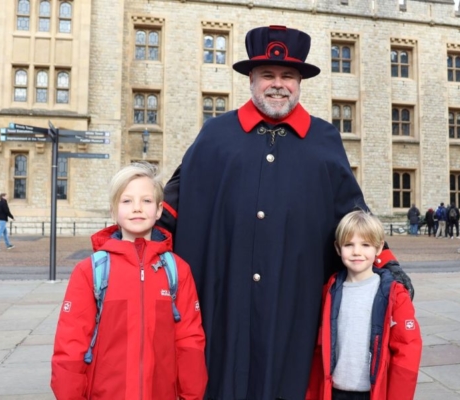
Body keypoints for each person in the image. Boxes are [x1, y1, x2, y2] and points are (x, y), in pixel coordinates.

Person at [157, 25, 413, 400]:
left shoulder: (324, 139)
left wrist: (387, 263)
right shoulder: (215, 134)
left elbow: (352, 211)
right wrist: (131, 244)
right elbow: (172, 204)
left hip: (297, 301)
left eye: (288, 76)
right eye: (268, 76)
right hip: (226, 299)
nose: (278, 85)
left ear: (299, 82)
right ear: (251, 79)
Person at [51, 162, 207, 400]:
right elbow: (70, 345)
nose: (137, 208)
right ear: (114, 211)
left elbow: (189, 342)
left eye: (146, 201)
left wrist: (192, 395)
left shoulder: (177, 271)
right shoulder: (90, 272)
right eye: (126, 201)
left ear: (158, 210)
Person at [306, 210, 422, 400]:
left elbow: (407, 348)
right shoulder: (329, 291)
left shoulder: (395, 295)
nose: (357, 252)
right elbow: (319, 346)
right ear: (338, 248)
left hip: (372, 392)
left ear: (378, 248)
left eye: (365, 245)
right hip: (334, 390)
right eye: (349, 245)